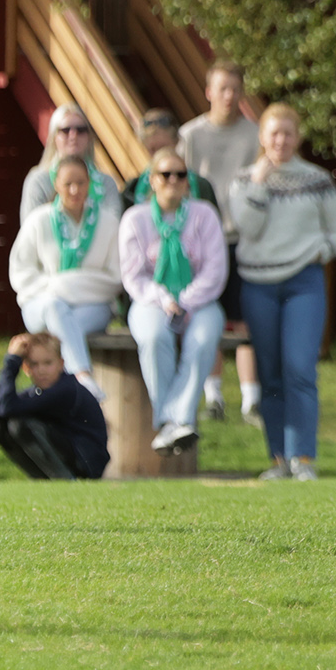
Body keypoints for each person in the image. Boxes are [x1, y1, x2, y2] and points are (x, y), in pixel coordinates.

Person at [232, 104, 336, 481]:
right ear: (262, 138)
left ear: (297, 137)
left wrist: (320, 252)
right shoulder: (244, 180)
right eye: (273, 134)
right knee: (270, 373)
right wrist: (259, 184)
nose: (280, 141)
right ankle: (278, 460)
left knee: (300, 368)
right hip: (257, 285)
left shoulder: (316, 179)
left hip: (304, 283)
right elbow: (247, 229)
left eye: (287, 133)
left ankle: (303, 459)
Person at [120, 147, 228, 455]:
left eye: (180, 174)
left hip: (200, 300)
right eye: (165, 174)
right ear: (152, 180)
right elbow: (133, 276)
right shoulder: (135, 218)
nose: (173, 180)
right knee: (153, 337)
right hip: (150, 301)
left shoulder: (204, 214)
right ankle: (176, 422)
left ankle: (172, 421)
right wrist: (165, 299)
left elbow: (215, 270)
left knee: (204, 337)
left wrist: (187, 301)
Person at [179, 61, 262, 424]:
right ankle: (213, 395)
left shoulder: (256, 135)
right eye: (222, 89)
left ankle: (250, 399)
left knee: (244, 321)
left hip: (243, 237)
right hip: (204, 240)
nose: (229, 96)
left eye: (235, 89)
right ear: (209, 91)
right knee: (208, 316)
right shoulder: (191, 136)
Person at [9, 155, 122, 402]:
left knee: (63, 327)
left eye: (81, 183)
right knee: (54, 306)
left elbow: (114, 278)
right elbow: (21, 273)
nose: (75, 190)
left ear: (90, 183)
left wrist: (66, 285)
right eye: (68, 183)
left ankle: (68, 395)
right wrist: (56, 289)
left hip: (92, 308)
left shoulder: (108, 222)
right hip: (40, 305)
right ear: (56, 185)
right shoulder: (38, 220)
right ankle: (83, 377)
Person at [0, 333, 108, 479]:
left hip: (87, 462)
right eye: (34, 364)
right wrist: (10, 364)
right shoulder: (39, 391)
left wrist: (11, 363)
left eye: (48, 363)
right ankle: (43, 480)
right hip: (70, 453)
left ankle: (64, 480)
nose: (41, 370)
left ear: (61, 364)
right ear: (26, 367)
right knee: (0, 429)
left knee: (19, 425)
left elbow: (7, 408)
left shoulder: (65, 389)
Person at [19, 103, 124, 224]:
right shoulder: (39, 180)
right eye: (65, 130)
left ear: (89, 137)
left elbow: (113, 225)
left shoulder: (106, 183)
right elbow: (30, 228)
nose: (73, 135)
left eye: (81, 130)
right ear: (54, 137)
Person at [127, 110, 217, 207]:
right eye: (153, 149)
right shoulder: (132, 190)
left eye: (163, 148)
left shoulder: (201, 186)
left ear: (176, 143)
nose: (159, 155)